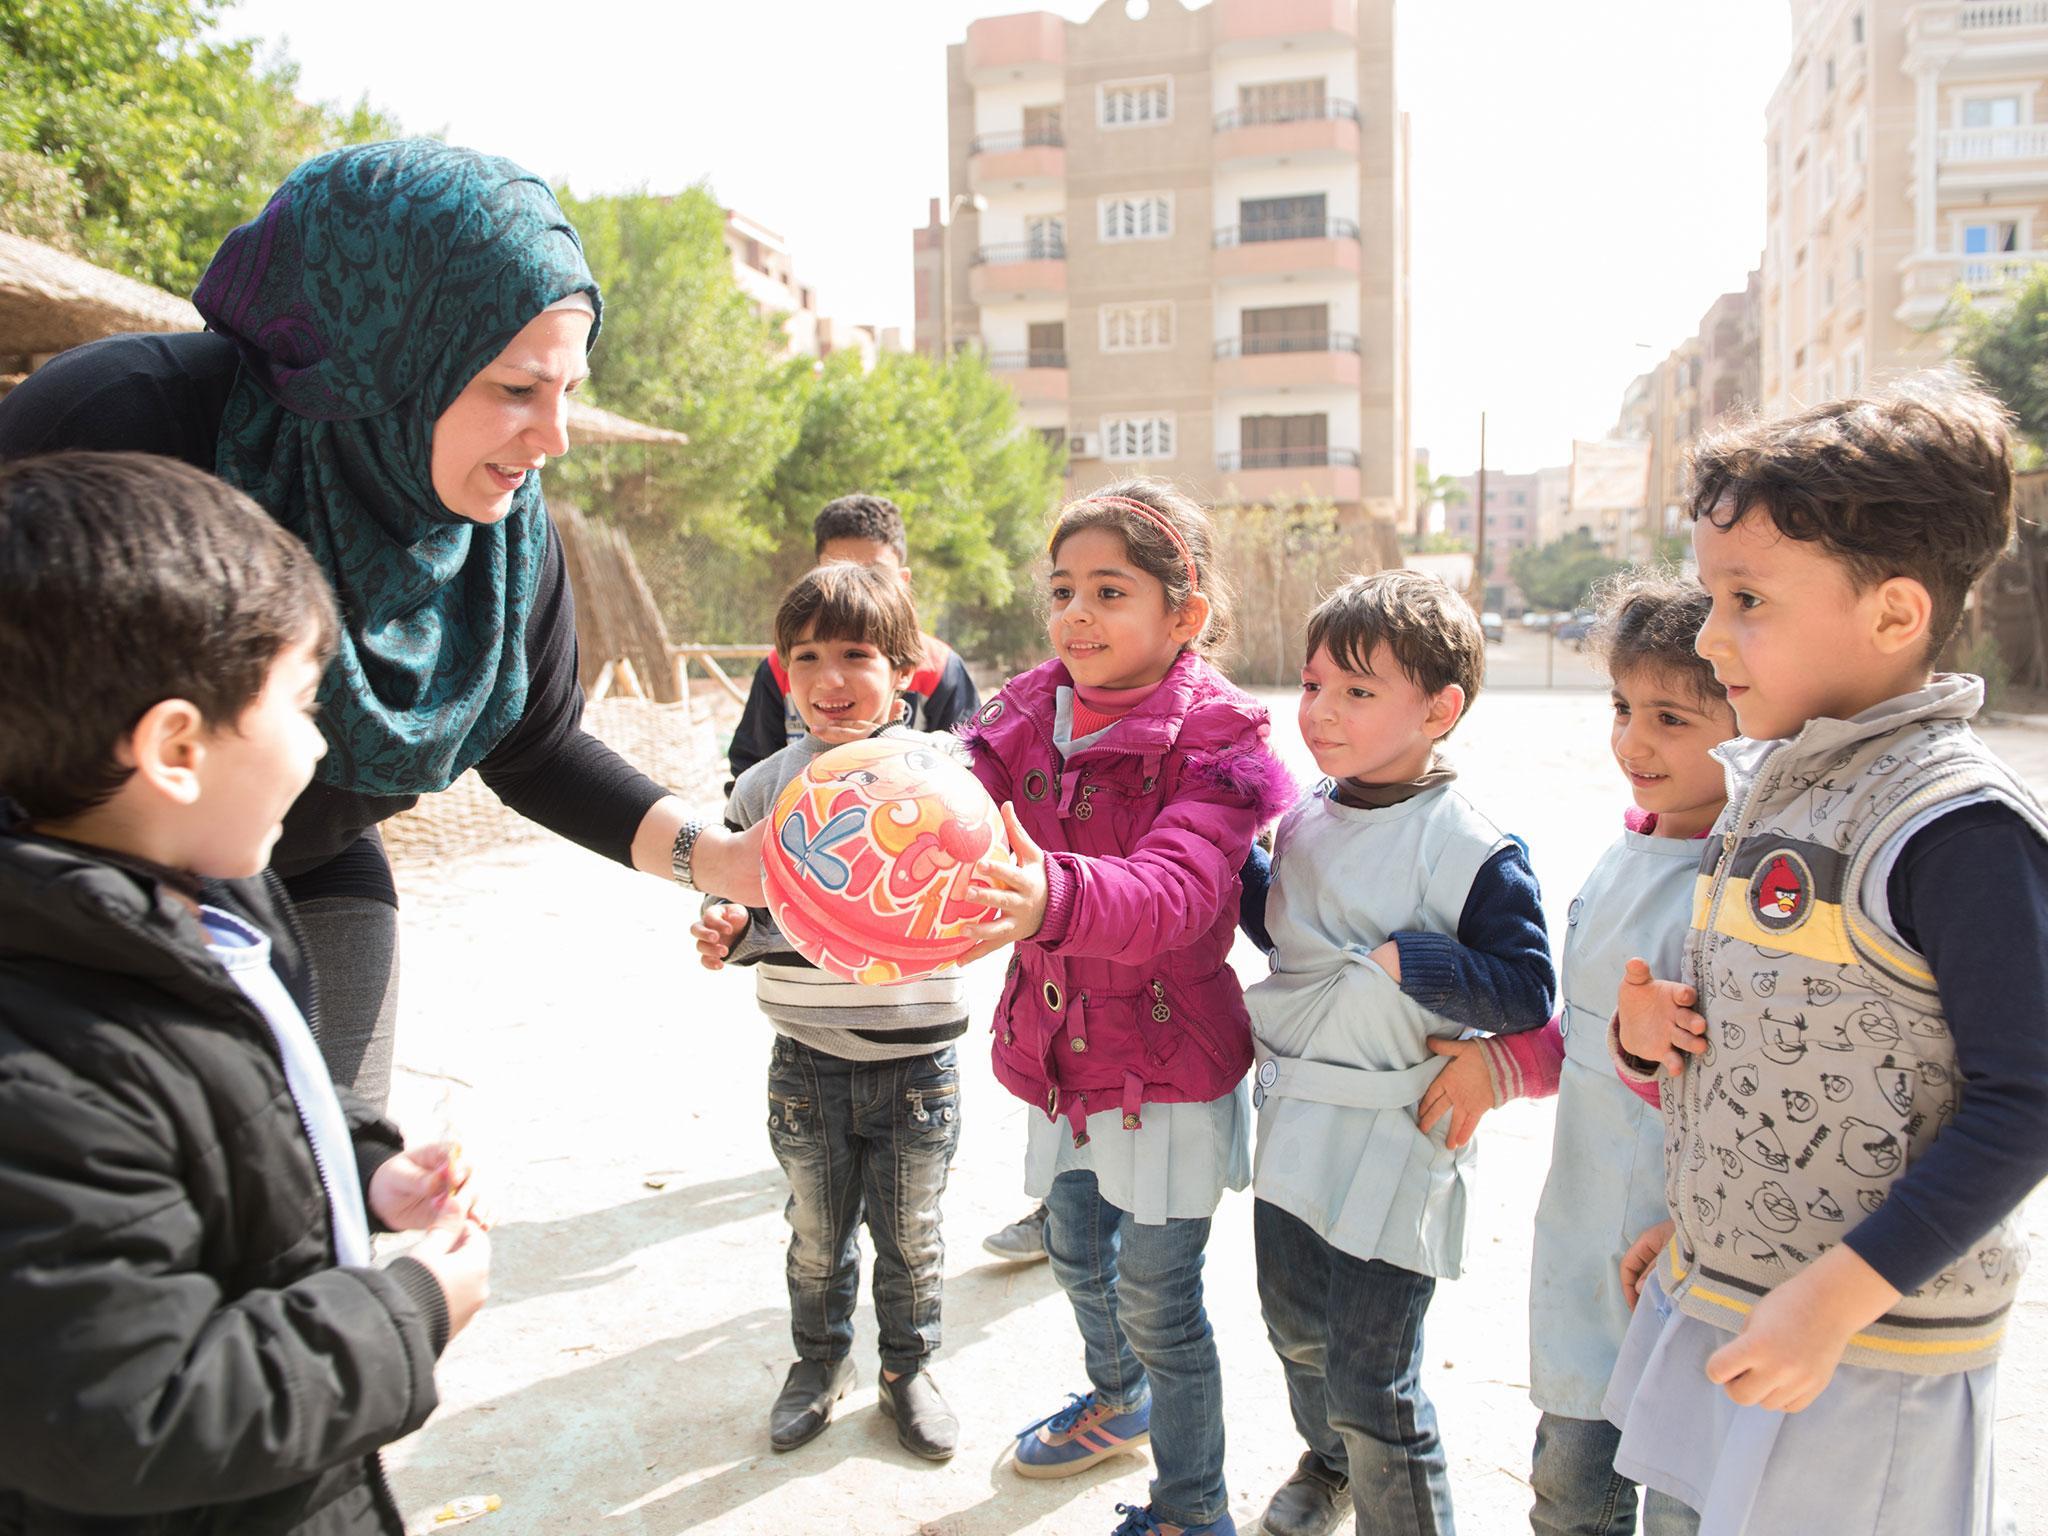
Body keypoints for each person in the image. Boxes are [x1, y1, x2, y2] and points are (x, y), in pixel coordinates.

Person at [0, 138, 766, 1113]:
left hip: (312, 872)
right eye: (515, 389)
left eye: (569, 391)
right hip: (51, 899)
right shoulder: (124, 425)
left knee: (336, 1173)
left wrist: (725, 860)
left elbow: (535, 749)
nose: (555, 438)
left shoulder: (499, 533)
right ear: (376, 361)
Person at [0, 453, 491, 1535]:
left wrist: (364, 1175)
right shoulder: (42, 1073)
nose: (320, 748)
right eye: (304, 706)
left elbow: (242, 1123)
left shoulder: (213, 910)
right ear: (177, 747)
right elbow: (129, 1408)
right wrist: (405, 1316)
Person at [1611, 374, 2048, 1536]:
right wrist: (1702, 1218)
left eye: (1744, 598)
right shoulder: (1784, 782)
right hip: (1738, 1304)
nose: (1707, 640)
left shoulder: (1956, 826)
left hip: (1864, 1353)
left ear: (1894, 614)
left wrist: (1828, 1301)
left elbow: (2025, 1099)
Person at [956, 481, 1295, 1536]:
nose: (1076, 616)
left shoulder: (1218, 744)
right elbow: (944, 802)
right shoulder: (1021, 712)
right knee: (1067, 1243)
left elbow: (1179, 894)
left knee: (1159, 1298)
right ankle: (1118, 1396)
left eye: (1110, 591)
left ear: (1182, 615)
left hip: (1166, 1067)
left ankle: (1192, 1509)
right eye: (1063, 590)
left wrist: (1047, 892)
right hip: (1059, 1051)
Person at [1236, 570, 1555, 1536]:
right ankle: (1326, 1466)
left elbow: (1527, 989)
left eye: (1358, 691)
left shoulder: (1473, 848)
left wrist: (1408, 959)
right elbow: (1280, 931)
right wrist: (1225, 858)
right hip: (1292, 1124)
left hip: (1398, 1137)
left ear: (1440, 708)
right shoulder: (1299, 821)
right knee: (1295, 1331)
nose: (1322, 712)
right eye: (1313, 684)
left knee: (1375, 1380)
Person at [1421, 573, 1732, 1536]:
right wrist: (1500, 1066)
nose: (1633, 742)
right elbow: (1587, 1030)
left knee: (1689, 1490)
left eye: (1672, 719)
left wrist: (1648, 1048)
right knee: (1570, 1488)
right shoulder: (1627, 847)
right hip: (1585, 1228)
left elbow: (1739, 1083)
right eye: (1623, 707)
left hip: (1689, 1246)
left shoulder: (1752, 884)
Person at [691, 562, 965, 1461]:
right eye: (806, 657)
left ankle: (908, 1369)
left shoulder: (947, 781)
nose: (829, 680)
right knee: (815, 1236)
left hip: (919, 1063)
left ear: (907, 669)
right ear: (781, 671)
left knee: (913, 1239)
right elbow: (753, 914)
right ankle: (818, 1363)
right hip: (806, 1061)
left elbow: (963, 908)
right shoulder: (764, 791)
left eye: (856, 654)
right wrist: (728, 931)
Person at [725, 494, 980, 791]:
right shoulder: (780, 668)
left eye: (874, 573)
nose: (856, 587)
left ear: (904, 580)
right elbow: (751, 770)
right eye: (838, 570)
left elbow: (973, 768)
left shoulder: (940, 668)